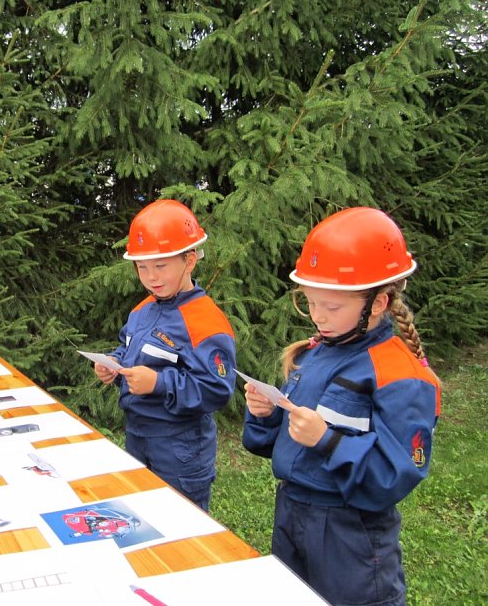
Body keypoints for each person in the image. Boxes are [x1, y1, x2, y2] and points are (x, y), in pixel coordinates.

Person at [242, 207, 441, 606]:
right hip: (293, 515)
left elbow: (395, 475)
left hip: (350, 536)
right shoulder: (317, 353)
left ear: (379, 302)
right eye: (311, 304)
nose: (318, 317)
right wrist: (266, 416)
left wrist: (328, 441)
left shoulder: (399, 374)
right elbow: (284, 443)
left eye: (331, 308)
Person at [93, 199, 237, 512]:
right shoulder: (142, 310)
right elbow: (128, 348)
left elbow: (217, 389)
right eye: (142, 267)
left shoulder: (206, 322)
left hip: (180, 449)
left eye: (160, 266)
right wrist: (114, 364)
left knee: (181, 526)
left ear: (189, 260)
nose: (151, 277)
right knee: (141, 515)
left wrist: (160, 384)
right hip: (137, 435)